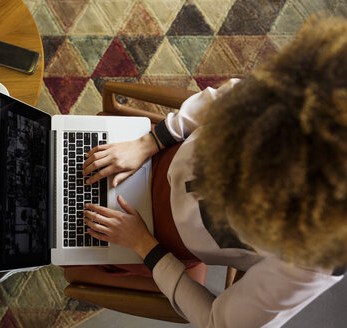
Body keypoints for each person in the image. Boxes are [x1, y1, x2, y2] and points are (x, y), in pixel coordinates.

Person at [81, 16, 347, 327]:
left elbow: (215, 320)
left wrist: (145, 246)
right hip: (160, 152)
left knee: (68, 253)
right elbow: (227, 95)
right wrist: (150, 142)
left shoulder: (315, 262)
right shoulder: (309, 94)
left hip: (160, 242)